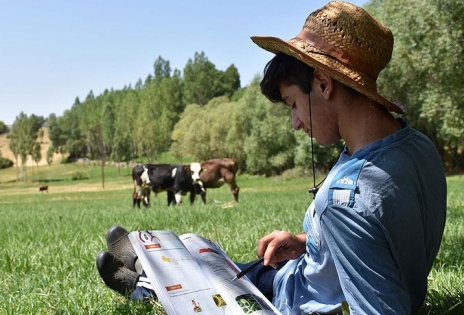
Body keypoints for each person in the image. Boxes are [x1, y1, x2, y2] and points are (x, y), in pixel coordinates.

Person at [95, 1, 447, 314]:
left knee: (206, 288)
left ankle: (147, 285)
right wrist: (306, 242)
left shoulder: (347, 197)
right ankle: (150, 263)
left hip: (295, 298)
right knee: (218, 264)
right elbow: (386, 236)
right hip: (305, 271)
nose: (295, 123)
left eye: (294, 103)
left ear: (323, 84)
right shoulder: (417, 145)